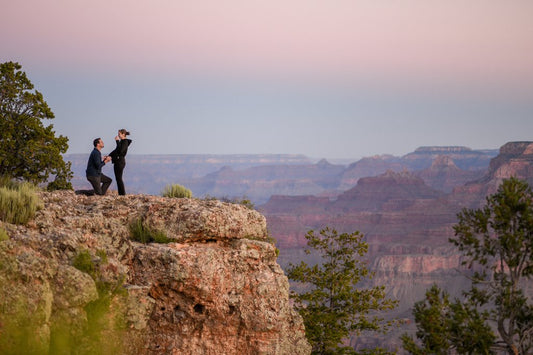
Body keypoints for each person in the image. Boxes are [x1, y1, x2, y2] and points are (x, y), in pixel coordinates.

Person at [108, 129, 132, 196]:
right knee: (118, 178)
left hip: (120, 162)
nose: (118, 135)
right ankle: (121, 194)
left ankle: (122, 194)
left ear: (123, 134)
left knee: (119, 178)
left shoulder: (125, 142)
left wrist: (117, 141)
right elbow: (116, 150)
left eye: (119, 134)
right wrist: (109, 156)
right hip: (117, 161)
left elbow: (120, 151)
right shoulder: (122, 142)